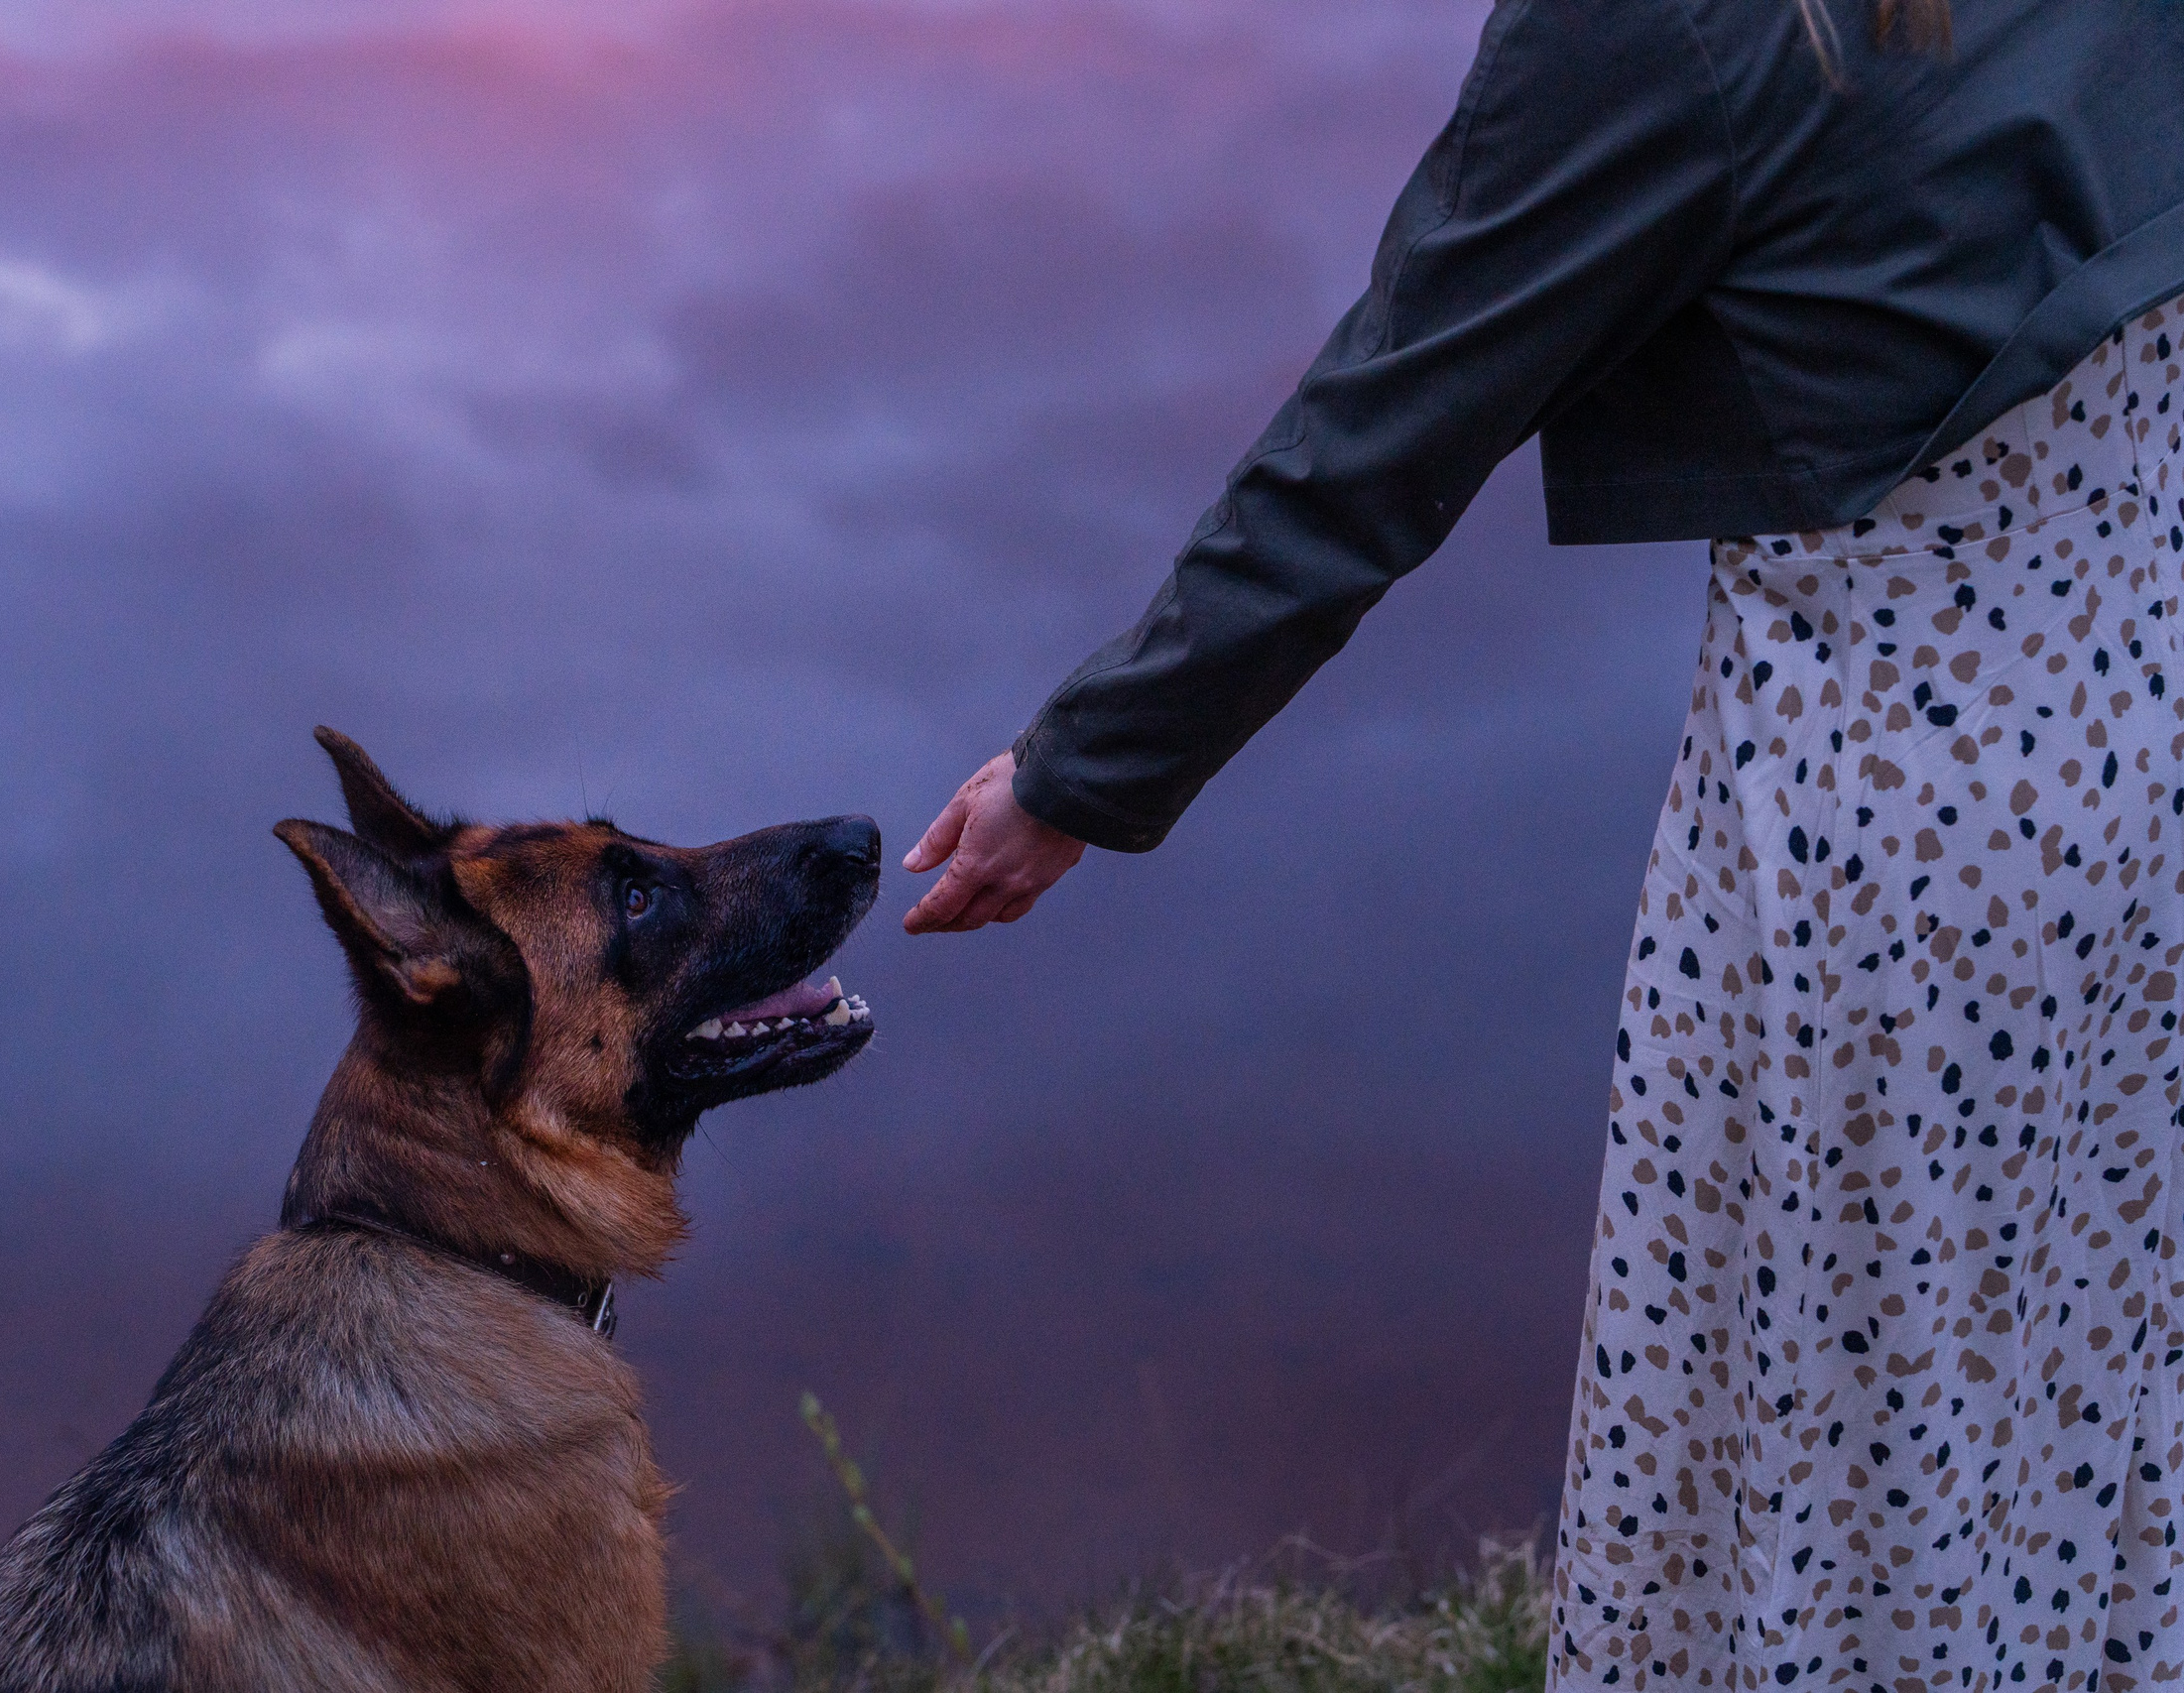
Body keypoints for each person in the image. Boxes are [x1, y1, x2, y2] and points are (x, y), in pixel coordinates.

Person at [902, 0, 2184, 1685]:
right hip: (2143, 719)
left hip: (1911, 849)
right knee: (2089, 1401)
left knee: (1869, 1477)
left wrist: (1081, 772)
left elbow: (1389, 421)